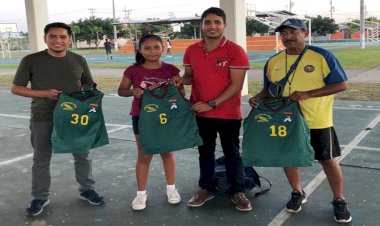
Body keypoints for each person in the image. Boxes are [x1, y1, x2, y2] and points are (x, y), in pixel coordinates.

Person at [248, 18, 352, 223]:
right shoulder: (274, 62)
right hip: (286, 121)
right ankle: (297, 192)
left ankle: (339, 200)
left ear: (304, 33)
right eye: (284, 33)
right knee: (288, 158)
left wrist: (309, 94)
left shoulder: (322, 56)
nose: (287, 37)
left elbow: (341, 85)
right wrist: (257, 98)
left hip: (317, 121)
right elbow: (268, 90)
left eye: (293, 32)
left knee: (327, 160)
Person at [11, 22, 105, 217]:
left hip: (74, 118)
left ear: (69, 39)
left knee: (82, 155)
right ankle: (40, 197)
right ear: (45, 38)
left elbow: (88, 85)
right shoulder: (30, 60)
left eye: (62, 37)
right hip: (43, 116)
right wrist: (44, 93)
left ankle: (87, 189)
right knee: (41, 160)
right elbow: (16, 88)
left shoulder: (78, 59)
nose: (58, 40)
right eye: (52, 36)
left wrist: (90, 99)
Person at [172, 7, 252, 212]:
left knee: (232, 152)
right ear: (202, 25)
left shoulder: (235, 51)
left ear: (225, 25)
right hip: (200, 112)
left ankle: (238, 191)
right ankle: (206, 188)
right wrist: (181, 79)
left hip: (228, 113)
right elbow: (190, 76)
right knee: (205, 152)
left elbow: (236, 86)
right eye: (208, 22)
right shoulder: (192, 50)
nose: (212, 26)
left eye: (217, 22)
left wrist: (212, 103)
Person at [118, 34, 184, 211]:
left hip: (166, 117)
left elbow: (182, 94)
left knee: (167, 153)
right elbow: (121, 91)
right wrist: (133, 92)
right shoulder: (133, 70)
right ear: (140, 50)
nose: (152, 51)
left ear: (163, 48)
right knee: (144, 155)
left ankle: (171, 189)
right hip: (142, 116)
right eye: (147, 48)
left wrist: (176, 85)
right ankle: (141, 194)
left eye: (156, 47)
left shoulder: (171, 69)